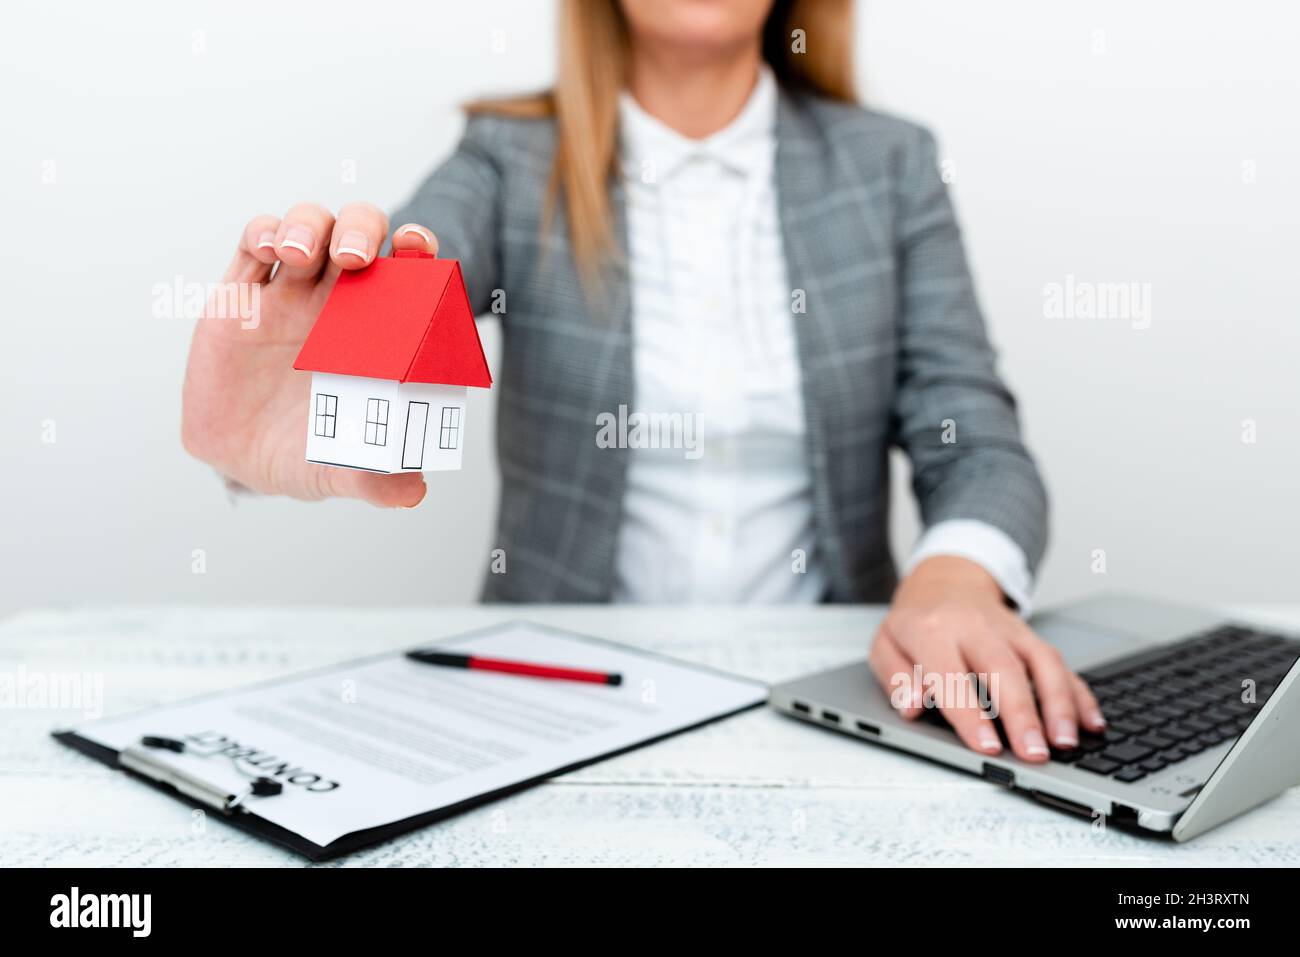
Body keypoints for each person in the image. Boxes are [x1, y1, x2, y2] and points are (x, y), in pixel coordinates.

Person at [181, 0, 1106, 763]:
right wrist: (325, 373)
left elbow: (976, 438)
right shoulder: (504, 158)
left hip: (839, 709)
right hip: (545, 707)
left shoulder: (890, 167)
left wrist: (955, 577)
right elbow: (414, 268)